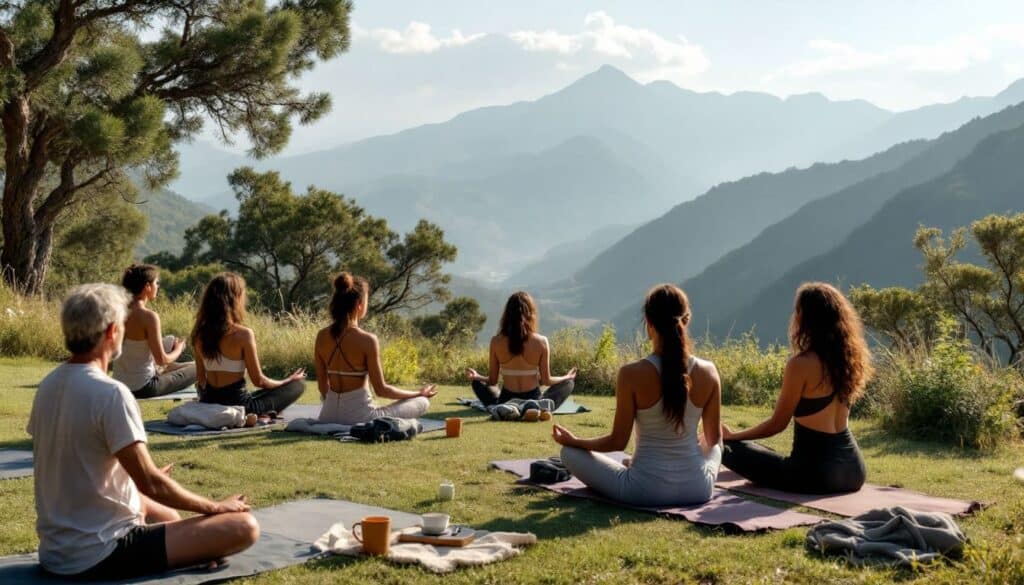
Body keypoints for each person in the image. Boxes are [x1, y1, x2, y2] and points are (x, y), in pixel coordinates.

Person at [27, 283, 258, 580]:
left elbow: (75, 462)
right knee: (244, 526)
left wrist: (133, 482)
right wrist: (216, 507)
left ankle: (192, 547)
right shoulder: (110, 393)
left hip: (55, 552)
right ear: (112, 331)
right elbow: (151, 483)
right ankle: (195, 549)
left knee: (165, 514)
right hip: (101, 552)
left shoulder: (47, 386)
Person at [552, 284, 722, 506]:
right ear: (686, 321)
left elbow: (617, 441)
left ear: (649, 325)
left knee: (569, 453)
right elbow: (713, 439)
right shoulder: (709, 371)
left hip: (643, 490)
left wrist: (576, 441)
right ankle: (639, 464)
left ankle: (634, 464)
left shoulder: (631, 374)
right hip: (698, 489)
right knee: (717, 447)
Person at [721, 282, 872, 494]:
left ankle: (723, 444)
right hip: (854, 471)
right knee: (759, 452)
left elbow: (777, 425)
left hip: (815, 475)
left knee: (727, 449)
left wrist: (732, 436)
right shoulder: (848, 361)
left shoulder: (801, 364)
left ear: (806, 318)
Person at [314, 272, 437, 425]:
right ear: (359, 304)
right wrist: (419, 393)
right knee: (422, 402)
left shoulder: (321, 336)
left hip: (328, 416)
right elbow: (381, 390)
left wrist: (337, 407)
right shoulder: (367, 340)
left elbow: (323, 387)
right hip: (360, 418)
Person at [192, 273, 305, 417]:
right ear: (235, 298)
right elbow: (259, 381)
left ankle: (266, 412)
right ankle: (264, 413)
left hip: (210, 402)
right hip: (242, 407)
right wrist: (288, 380)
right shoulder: (244, 334)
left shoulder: (199, 334)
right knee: (298, 385)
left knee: (264, 393)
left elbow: (201, 381)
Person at [466, 291, 577, 418]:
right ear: (531, 313)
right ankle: (537, 406)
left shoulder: (496, 341)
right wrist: (566, 377)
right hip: (533, 397)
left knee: (477, 383)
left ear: (507, 314)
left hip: (506, 398)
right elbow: (546, 380)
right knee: (569, 384)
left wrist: (477, 376)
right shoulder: (541, 341)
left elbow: (492, 381)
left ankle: (507, 407)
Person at [112, 264, 197, 398]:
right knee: (200, 368)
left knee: (182, 358)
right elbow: (162, 360)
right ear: (147, 287)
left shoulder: (116, 312)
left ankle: (189, 365)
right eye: (156, 283)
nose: (158, 287)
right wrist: (179, 349)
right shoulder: (148, 317)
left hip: (120, 384)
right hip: (144, 387)